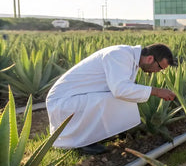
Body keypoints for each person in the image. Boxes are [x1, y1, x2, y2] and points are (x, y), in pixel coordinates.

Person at [46, 43, 177, 154]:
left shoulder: (129, 58)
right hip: (64, 103)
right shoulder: (119, 55)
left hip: (78, 99)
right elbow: (120, 89)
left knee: (124, 96)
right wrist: (157, 91)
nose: (158, 71)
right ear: (149, 59)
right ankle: (81, 142)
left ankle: (96, 136)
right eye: (160, 68)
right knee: (119, 97)